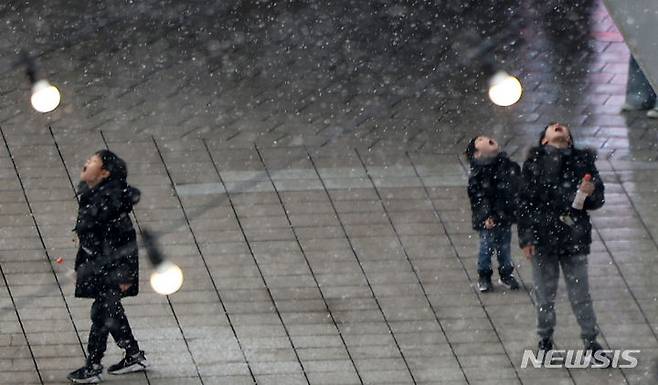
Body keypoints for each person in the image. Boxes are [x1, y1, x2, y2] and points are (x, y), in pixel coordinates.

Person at [518, 122, 608, 365]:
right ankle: (545, 340)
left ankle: (590, 341)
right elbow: (524, 203)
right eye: (552, 127)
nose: (558, 126)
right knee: (545, 295)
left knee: (580, 293)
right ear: (544, 141)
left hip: (572, 238)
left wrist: (591, 192)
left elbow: (597, 199)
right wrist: (526, 238)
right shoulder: (534, 164)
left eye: (562, 127)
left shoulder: (583, 162)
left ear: (569, 141)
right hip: (543, 238)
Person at [68, 150, 149, 383]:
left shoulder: (109, 204)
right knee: (109, 311)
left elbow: (125, 242)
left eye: (92, 161)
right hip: (101, 267)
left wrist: (125, 274)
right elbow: (90, 240)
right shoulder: (94, 196)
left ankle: (93, 366)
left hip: (111, 270)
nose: (86, 162)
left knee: (101, 314)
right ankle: (133, 354)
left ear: (104, 173)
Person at [465, 135, 521, 293]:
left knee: (504, 248)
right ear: (477, 154)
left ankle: (506, 274)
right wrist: (486, 216)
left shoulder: (505, 164)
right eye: (480, 140)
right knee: (486, 247)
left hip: (504, 215)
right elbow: (477, 197)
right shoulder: (478, 173)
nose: (486, 139)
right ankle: (484, 276)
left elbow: (512, 188)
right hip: (488, 219)